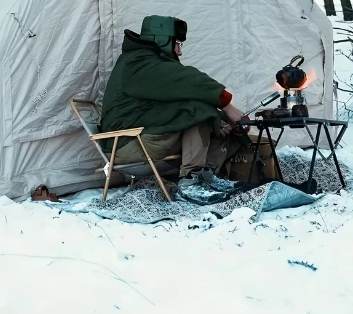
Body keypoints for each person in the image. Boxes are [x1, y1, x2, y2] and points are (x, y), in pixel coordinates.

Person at [100, 15, 245, 193]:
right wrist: (227, 104)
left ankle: (207, 176)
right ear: (162, 40)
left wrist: (219, 117)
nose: (179, 51)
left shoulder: (144, 60)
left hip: (139, 135)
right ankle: (192, 180)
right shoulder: (138, 64)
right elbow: (188, 80)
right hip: (124, 144)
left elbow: (182, 96)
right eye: (177, 44)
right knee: (197, 112)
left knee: (216, 118)